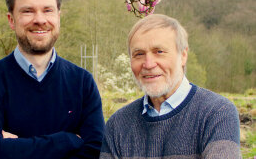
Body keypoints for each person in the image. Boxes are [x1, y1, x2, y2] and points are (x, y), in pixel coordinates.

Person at [0, 0, 105, 159]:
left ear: (59, 17)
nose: (40, 19)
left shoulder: (82, 83)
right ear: (11, 20)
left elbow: (94, 151)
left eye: (47, 10)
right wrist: (67, 140)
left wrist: (15, 148)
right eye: (28, 11)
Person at [99, 14, 241, 158]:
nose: (148, 64)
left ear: (183, 55)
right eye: (139, 54)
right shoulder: (117, 125)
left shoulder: (216, 113)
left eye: (159, 52)